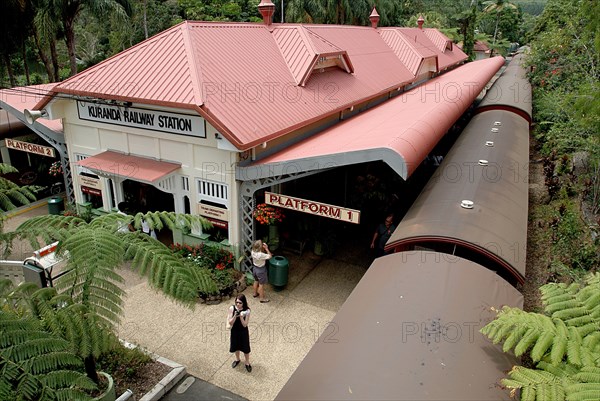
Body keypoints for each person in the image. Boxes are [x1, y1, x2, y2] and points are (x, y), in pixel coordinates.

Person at [228, 294, 252, 372]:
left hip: (243, 331)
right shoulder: (232, 308)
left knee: (245, 347)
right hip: (235, 331)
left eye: (240, 303)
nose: (238, 304)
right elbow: (230, 322)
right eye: (237, 302)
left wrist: (241, 317)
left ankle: (247, 362)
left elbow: (245, 324)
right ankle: (237, 359)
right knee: (236, 346)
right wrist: (235, 315)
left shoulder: (247, 310)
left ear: (243, 303)